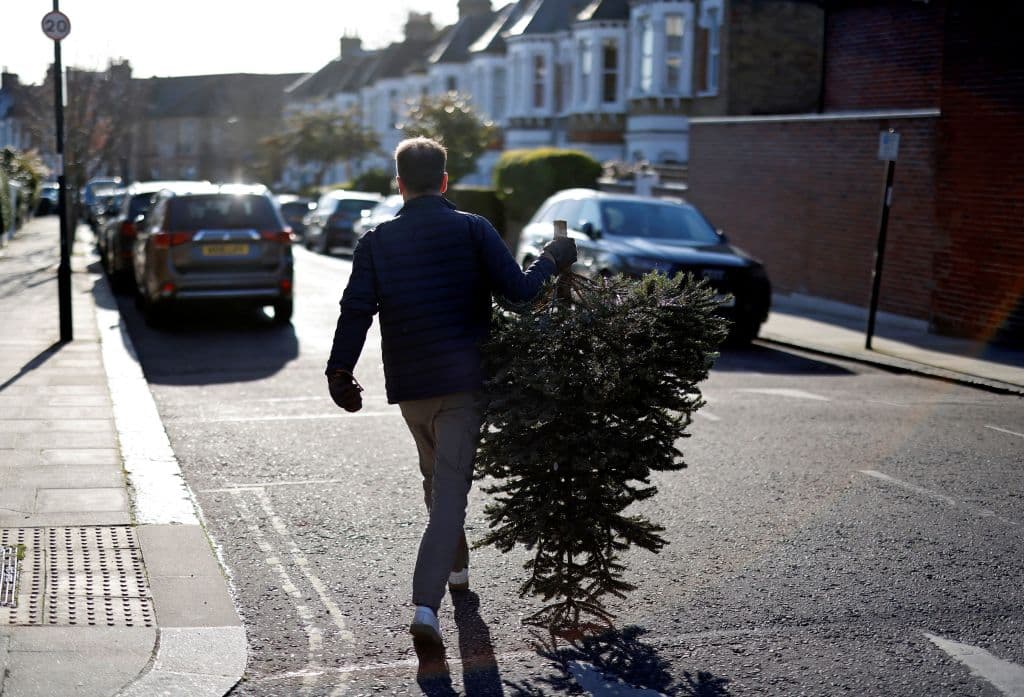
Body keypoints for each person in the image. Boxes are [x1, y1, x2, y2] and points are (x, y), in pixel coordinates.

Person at [325, 137, 577, 645]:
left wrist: (339, 371)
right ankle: (426, 607)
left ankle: (456, 570)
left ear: (399, 184)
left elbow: (356, 311)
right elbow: (520, 296)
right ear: (444, 181)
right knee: (449, 495)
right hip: (462, 384)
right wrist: (552, 258)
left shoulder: (376, 242)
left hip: (410, 389)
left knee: (436, 480)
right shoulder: (473, 228)